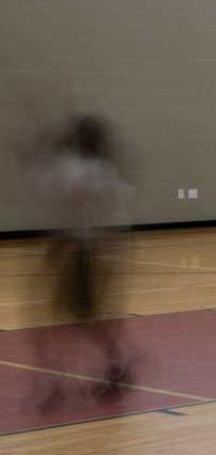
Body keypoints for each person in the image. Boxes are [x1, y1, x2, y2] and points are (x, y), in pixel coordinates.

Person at [30, 114, 135, 412]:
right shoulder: (103, 170)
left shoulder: (86, 171)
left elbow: (79, 211)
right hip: (89, 250)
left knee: (70, 320)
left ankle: (67, 382)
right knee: (73, 319)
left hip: (85, 251)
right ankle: (107, 368)